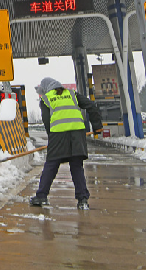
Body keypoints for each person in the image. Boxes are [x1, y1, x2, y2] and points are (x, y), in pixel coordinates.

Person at [30, 77, 103, 210]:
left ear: (46, 88)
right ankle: (82, 200)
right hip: (77, 134)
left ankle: (41, 196)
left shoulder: (46, 98)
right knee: (77, 167)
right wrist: (97, 125)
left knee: (51, 165)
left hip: (58, 134)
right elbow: (91, 106)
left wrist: (52, 139)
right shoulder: (72, 94)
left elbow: (47, 121)